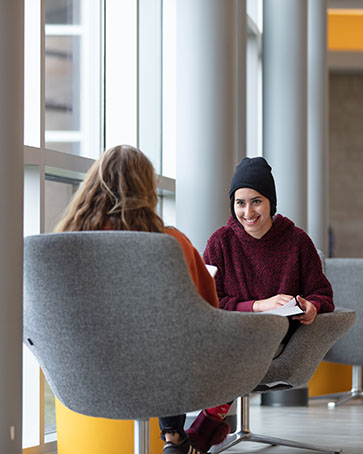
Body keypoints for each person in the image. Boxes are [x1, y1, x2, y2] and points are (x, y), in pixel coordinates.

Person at [54, 144, 219, 454]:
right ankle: (172, 435)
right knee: (171, 335)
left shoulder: (64, 244)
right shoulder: (169, 243)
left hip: (78, 372)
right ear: (147, 189)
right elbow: (206, 310)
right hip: (157, 376)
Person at [186, 156, 334, 452]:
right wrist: (257, 305)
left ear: (271, 202)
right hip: (228, 332)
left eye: (257, 201)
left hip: (275, 338)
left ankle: (198, 430)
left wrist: (312, 306)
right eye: (240, 203)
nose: (248, 212)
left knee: (238, 344)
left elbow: (323, 294)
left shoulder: (297, 242)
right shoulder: (220, 242)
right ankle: (198, 427)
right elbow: (205, 301)